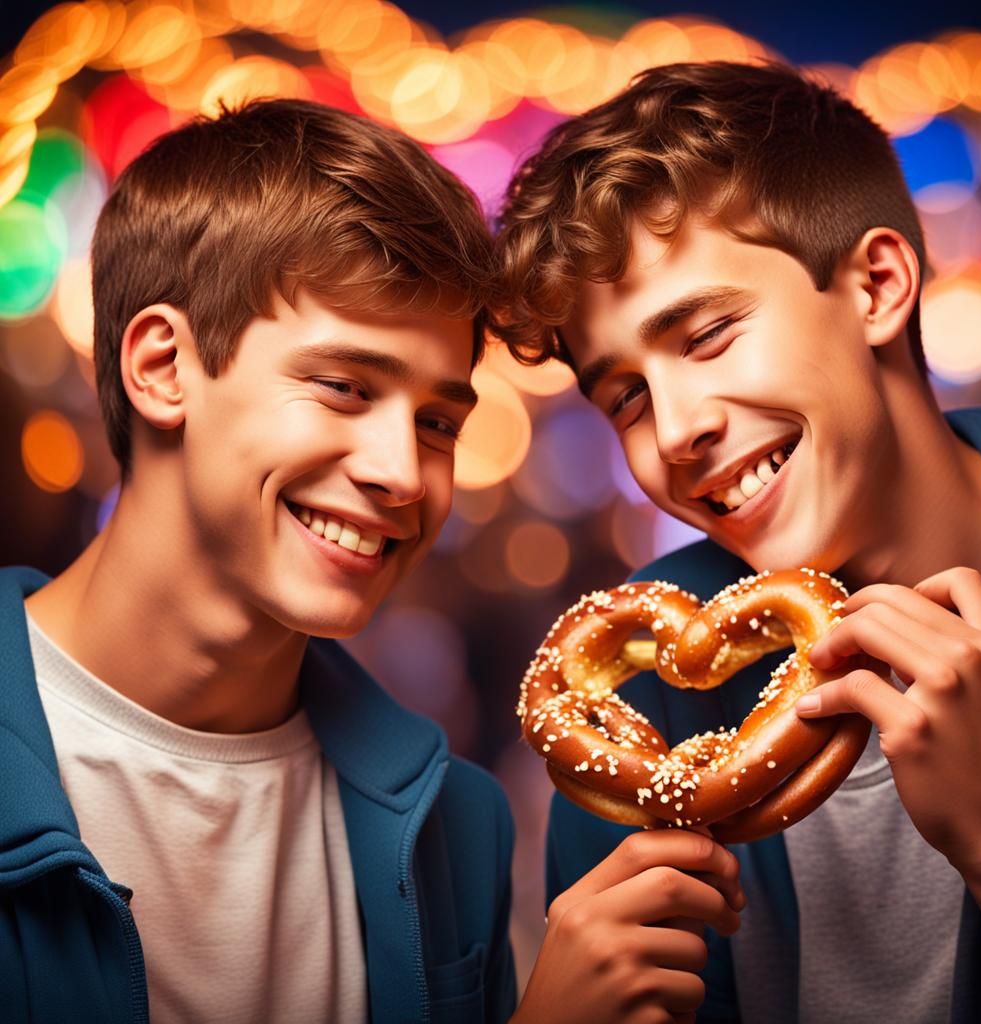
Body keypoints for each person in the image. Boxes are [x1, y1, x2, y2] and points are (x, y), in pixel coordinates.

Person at [0, 98, 744, 1024]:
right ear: (162, 367)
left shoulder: (457, 833)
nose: (403, 474)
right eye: (344, 387)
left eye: (438, 423)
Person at [490, 60, 981, 1023]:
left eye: (706, 335)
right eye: (627, 397)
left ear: (876, 285)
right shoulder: (636, 701)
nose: (678, 429)